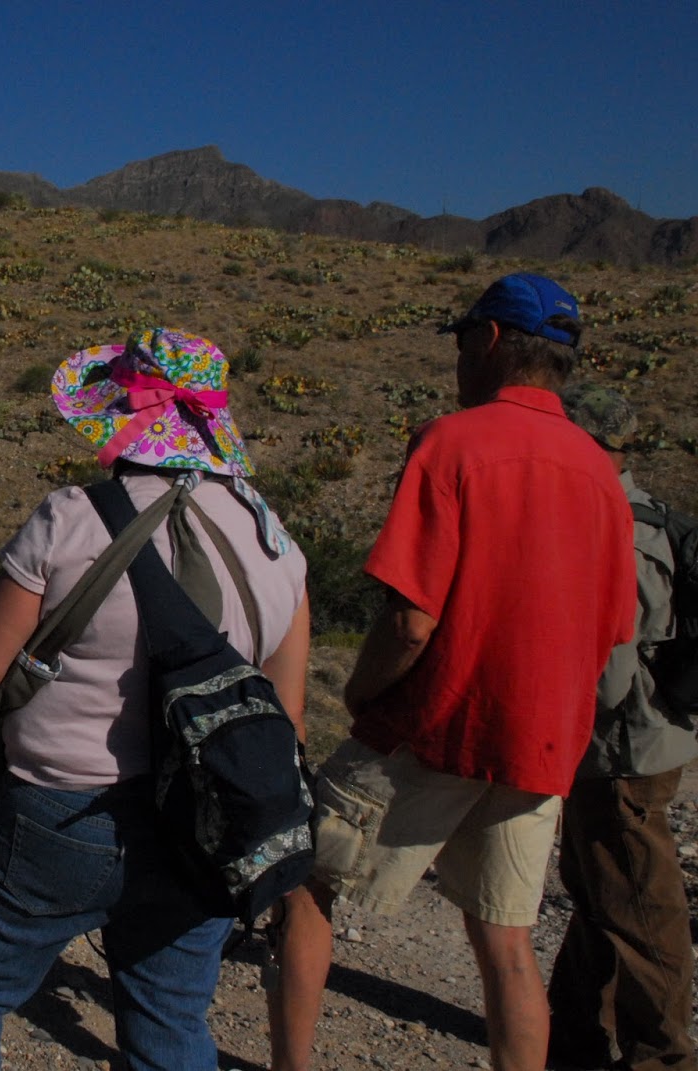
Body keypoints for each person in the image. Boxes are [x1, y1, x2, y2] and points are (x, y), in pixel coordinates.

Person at [0, 328, 311, 1070]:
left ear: (119, 416)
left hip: (65, 810)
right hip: (205, 821)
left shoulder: (74, 516)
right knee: (170, 1022)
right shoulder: (273, 540)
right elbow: (286, 716)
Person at [267, 275, 638, 1071]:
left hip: (437, 723)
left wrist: (363, 691)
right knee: (506, 938)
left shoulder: (453, 442)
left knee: (306, 885)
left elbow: (411, 620)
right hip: (540, 745)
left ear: (491, 340)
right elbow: (612, 631)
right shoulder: (600, 473)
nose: (460, 359)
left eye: (464, 341)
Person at [549, 384, 695, 1071]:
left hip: (619, 748)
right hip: (650, 736)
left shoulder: (609, 528)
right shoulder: (649, 515)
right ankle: (571, 1037)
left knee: (640, 909)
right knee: (601, 891)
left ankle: (661, 1056)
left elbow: (607, 680)